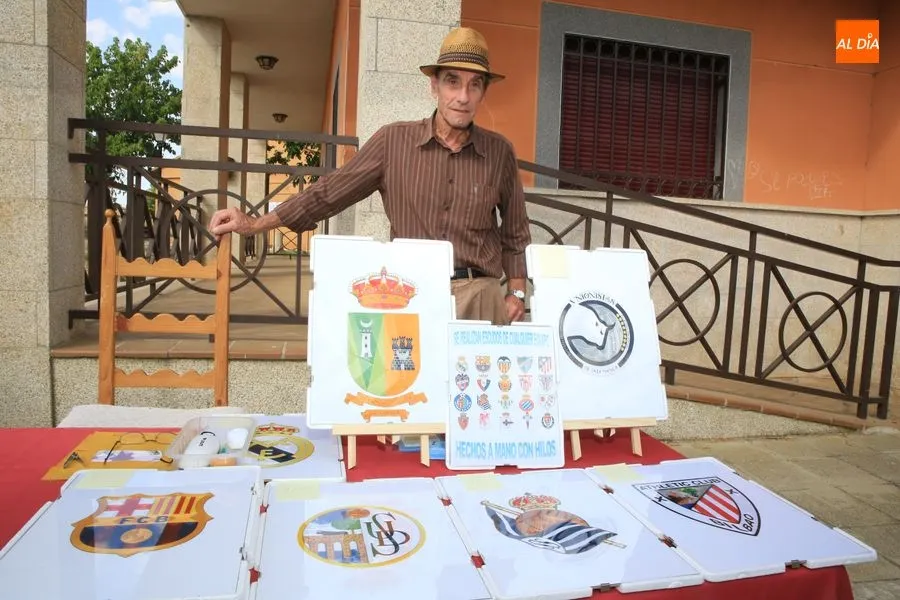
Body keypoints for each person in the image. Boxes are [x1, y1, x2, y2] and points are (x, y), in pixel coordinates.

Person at [209, 27, 532, 325]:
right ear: (434, 85)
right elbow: (329, 193)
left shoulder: (499, 152)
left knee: (473, 388)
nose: (463, 96)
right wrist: (254, 223)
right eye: (453, 81)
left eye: (474, 84)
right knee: (408, 385)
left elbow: (516, 231)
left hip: (481, 297)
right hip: (411, 294)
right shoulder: (393, 142)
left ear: (484, 92)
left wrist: (516, 292)